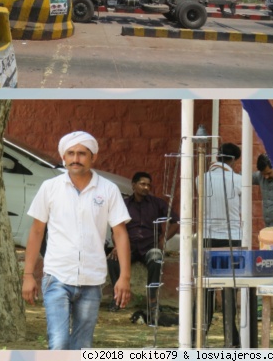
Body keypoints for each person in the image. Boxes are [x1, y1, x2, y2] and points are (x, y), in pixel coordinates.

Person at [22, 131, 132, 350]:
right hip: (56, 277)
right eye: (70, 153)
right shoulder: (50, 188)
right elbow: (36, 232)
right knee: (59, 342)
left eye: (82, 154)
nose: (75, 159)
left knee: (82, 346)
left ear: (93, 157)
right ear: (63, 157)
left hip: (92, 280)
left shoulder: (108, 190)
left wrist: (124, 277)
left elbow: (120, 233)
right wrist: (28, 275)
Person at [107, 172, 179, 325]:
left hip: (150, 246)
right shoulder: (124, 204)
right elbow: (115, 228)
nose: (146, 187)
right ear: (133, 185)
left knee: (156, 259)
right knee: (113, 261)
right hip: (129, 247)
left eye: (148, 185)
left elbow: (175, 221)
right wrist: (117, 246)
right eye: (142, 184)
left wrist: (163, 239)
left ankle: (152, 300)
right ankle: (117, 299)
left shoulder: (157, 203)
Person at [197, 143, 242, 347]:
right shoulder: (239, 180)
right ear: (233, 160)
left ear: (217, 156)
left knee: (204, 288)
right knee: (229, 290)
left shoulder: (201, 179)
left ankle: (200, 336)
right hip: (232, 239)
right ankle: (231, 339)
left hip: (207, 238)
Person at [253, 153, 273, 228]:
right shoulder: (260, 176)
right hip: (268, 227)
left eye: (269, 173)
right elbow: (243, 178)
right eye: (263, 174)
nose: (266, 177)